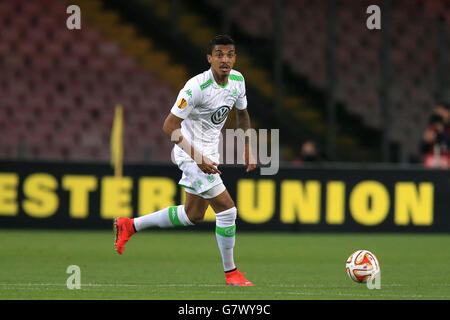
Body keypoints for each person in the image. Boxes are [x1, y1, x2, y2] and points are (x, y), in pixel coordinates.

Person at [113, 35, 256, 286]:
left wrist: (248, 146)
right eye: (219, 54)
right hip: (189, 152)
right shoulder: (195, 88)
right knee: (227, 209)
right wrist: (198, 158)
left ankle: (130, 225)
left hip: (210, 152)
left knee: (193, 215)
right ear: (209, 58)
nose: (225, 59)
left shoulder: (238, 80)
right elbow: (169, 126)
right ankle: (231, 273)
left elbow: (242, 115)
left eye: (230, 54)